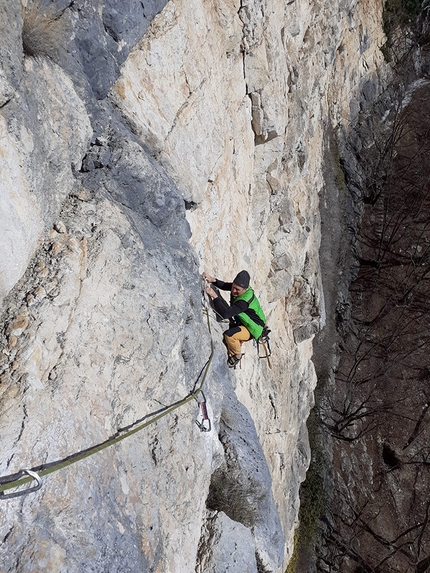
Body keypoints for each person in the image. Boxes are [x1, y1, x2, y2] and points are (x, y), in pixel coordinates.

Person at [203, 270, 266, 368]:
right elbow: (225, 285)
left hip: (253, 328)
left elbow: (226, 313)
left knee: (230, 335)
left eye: (237, 289)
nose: (234, 291)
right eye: (233, 287)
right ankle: (236, 344)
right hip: (245, 323)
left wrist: (215, 296)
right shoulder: (240, 289)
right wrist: (212, 280)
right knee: (232, 331)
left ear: (244, 290)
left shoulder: (244, 302)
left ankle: (237, 355)